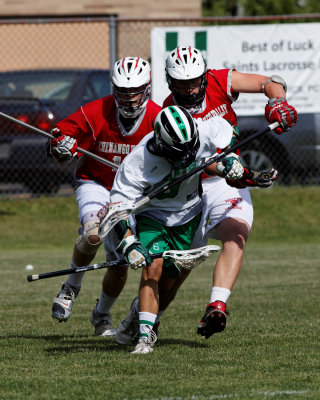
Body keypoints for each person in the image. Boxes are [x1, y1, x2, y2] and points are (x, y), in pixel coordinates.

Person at [115, 46, 297, 344]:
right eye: (182, 84)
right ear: (170, 82)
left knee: (236, 232)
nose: (190, 89)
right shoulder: (168, 111)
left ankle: (217, 304)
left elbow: (270, 82)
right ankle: (145, 316)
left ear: (205, 74)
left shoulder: (220, 81)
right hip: (193, 187)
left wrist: (277, 102)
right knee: (175, 274)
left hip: (227, 178)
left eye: (195, 81)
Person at [109, 105, 250, 354]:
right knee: (153, 268)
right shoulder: (137, 162)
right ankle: (145, 336)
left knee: (170, 284)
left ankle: (137, 314)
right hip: (153, 216)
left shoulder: (201, 129)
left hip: (190, 215)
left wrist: (230, 161)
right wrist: (129, 243)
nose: (186, 155)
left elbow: (230, 131)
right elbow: (119, 209)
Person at [48, 57, 161, 336]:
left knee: (121, 262)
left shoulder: (158, 117)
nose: (129, 98)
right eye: (123, 91)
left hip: (131, 194)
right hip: (95, 182)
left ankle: (101, 316)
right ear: (113, 88)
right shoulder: (96, 110)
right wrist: (61, 146)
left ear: (147, 88)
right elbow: (59, 137)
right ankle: (71, 288)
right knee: (92, 233)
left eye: (135, 91)